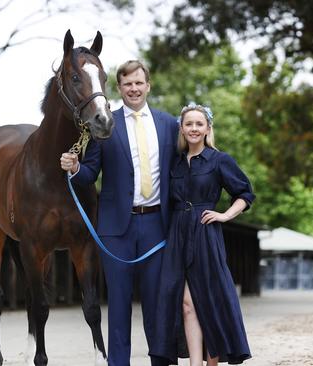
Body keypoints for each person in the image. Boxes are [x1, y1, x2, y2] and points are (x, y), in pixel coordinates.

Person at [60, 60, 179, 366]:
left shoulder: (169, 125)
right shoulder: (105, 124)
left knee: (157, 305)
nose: (134, 89)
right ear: (120, 88)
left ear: (148, 86)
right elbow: (90, 174)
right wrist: (75, 168)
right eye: (127, 84)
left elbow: (181, 173)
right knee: (119, 306)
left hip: (157, 227)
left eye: (139, 83)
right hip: (116, 231)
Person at [149, 104, 254, 365]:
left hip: (206, 235)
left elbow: (245, 194)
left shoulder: (219, 160)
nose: (194, 129)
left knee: (209, 301)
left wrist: (225, 215)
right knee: (186, 304)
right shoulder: (174, 162)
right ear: (182, 129)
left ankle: (212, 362)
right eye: (189, 124)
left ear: (207, 128)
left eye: (199, 124)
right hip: (177, 236)